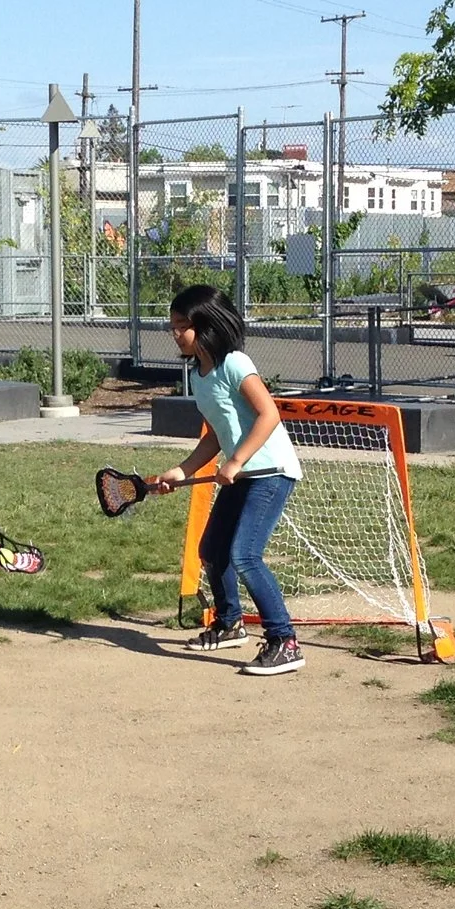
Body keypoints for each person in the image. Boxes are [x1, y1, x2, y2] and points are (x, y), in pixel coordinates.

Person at [149, 285, 306, 677]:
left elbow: (269, 414)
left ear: (208, 325)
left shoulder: (236, 363)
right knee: (212, 550)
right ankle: (229, 623)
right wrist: (183, 471)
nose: (175, 333)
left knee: (245, 556)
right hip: (242, 475)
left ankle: (284, 641)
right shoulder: (199, 375)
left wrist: (236, 461)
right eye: (172, 325)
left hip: (271, 472)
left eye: (182, 325)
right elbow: (216, 435)